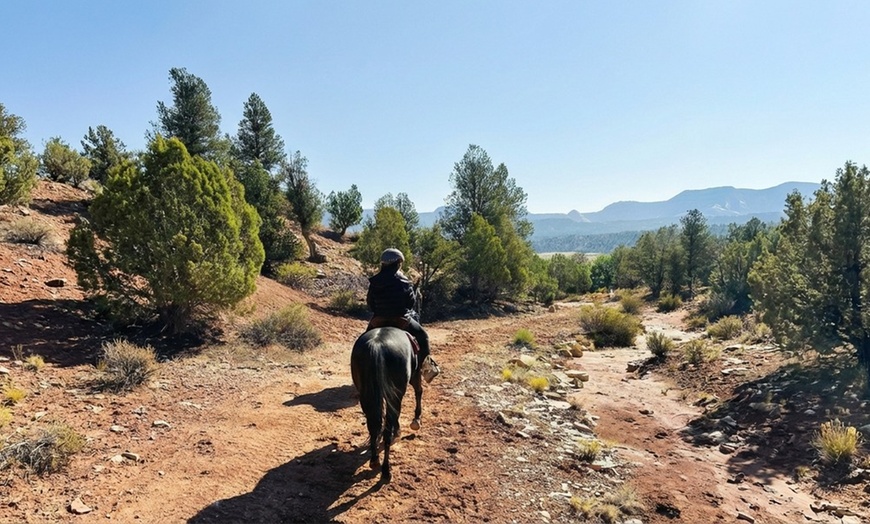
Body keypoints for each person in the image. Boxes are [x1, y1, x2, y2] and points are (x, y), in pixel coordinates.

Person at [367, 248, 439, 381]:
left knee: (364, 341)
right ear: (398, 263)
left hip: (379, 319)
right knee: (423, 336)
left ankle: (362, 372)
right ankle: (426, 369)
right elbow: (410, 303)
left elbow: (370, 302)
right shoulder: (404, 281)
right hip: (400, 320)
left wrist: (380, 311)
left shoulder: (374, 281)